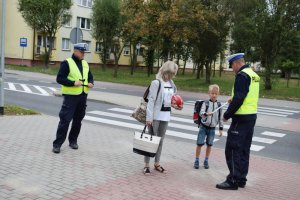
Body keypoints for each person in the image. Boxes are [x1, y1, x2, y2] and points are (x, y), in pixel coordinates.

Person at [216, 53, 260, 190]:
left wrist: (227, 115)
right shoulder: (253, 75)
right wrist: (234, 98)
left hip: (240, 118)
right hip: (251, 116)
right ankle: (241, 179)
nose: (232, 68)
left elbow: (240, 97)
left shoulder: (242, 75)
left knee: (233, 148)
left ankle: (233, 180)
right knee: (243, 149)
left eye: (232, 65)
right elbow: (246, 94)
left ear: (236, 63)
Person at [52, 43, 94, 154]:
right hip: (70, 97)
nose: (83, 54)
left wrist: (91, 82)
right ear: (75, 51)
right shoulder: (67, 63)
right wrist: (72, 83)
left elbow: (90, 76)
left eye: (84, 52)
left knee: (78, 121)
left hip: (83, 96)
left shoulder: (85, 63)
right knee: (65, 120)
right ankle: (57, 144)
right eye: (82, 52)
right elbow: (59, 78)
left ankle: (73, 141)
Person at [143, 61, 182, 175]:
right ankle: (146, 165)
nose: (171, 76)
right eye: (170, 73)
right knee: (151, 141)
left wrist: (176, 106)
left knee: (160, 141)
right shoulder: (156, 83)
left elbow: (171, 99)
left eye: (173, 74)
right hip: (155, 117)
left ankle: (157, 163)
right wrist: (149, 118)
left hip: (166, 116)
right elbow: (151, 102)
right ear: (164, 71)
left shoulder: (171, 83)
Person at [193, 84, 223, 170]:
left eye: (215, 93)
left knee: (209, 145)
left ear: (218, 94)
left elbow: (220, 118)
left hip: (212, 128)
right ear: (209, 93)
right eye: (212, 93)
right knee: (199, 144)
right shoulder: (205, 104)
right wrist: (206, 114)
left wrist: (221, 129)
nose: (214, 95)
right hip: (203, 127)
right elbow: (201, 114)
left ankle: (206, 160)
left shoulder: (219, 105)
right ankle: (197, 160)